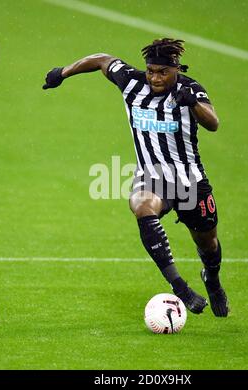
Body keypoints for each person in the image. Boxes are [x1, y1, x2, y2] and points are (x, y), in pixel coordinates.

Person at [43, 38, 229, 317]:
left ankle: (212, 279)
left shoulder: (190, 88)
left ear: (175, 69)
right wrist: (63, 72)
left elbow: (213, 123)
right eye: (151, 70)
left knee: (207, 242)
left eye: (162, 72)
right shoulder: (132, 82)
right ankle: (180, 288)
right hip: (151, 176)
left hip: (190, 181)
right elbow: (101, 59)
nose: (154, 77)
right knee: (142, 206)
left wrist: (193, 103)